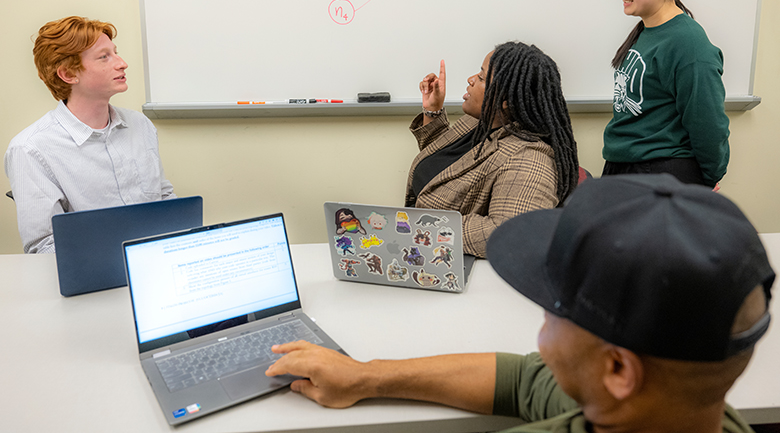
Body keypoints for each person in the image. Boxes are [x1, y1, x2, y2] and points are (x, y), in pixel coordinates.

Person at [266, 174, 774, 433]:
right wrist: (366, 376)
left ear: (618, 368)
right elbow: (525, 380)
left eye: (552, 306)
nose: (540, 321)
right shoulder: (680, 410)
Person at [4, 16, 175, 253]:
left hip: (158, 265)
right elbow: (44, 246)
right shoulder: (30, 149)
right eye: (104, 57)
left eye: (115, 52)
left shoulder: (140, 125)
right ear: (68, 74)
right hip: (93, 279)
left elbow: (164, 199)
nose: (122, 63)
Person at [404, 41, 579, 257]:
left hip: (454, 267)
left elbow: (511, 234)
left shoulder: (529, 160)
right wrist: (433, 111)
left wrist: (424, 226)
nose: (470, 79)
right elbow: (445, 169)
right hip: (419, 250)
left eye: (481, 77)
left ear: (505, 100)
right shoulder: (478, 123)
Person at [603, 0, 729, 188]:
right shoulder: (646, 31)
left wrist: (710, 176)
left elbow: (707, 121)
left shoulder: (688, 42)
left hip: (660, 173)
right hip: (627, 168)